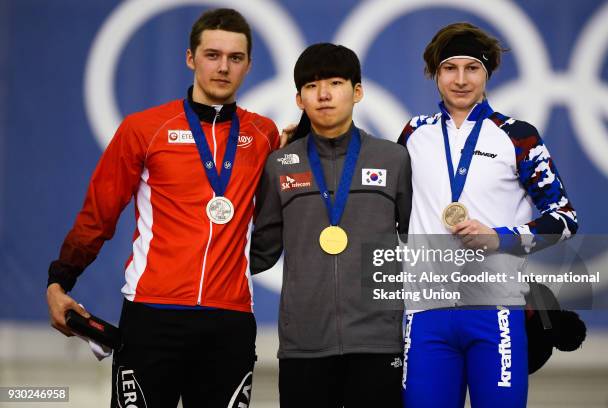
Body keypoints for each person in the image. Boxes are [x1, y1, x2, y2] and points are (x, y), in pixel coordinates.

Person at [46, 8, 279, 408]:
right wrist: (60, 281)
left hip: (230, 320)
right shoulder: (143, 129)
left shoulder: (264, 135)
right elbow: (98, 214)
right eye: (212, 55)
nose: (223, 67)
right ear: (190, 58)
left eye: (235, 58)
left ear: (249, 66)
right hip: (152, 316)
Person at [397, 22, 578, 407]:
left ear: (487, 72)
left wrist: (501, 237)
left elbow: (564, 218)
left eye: (472, 68)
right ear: (435, 73)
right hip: (425, 312)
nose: (461, 79)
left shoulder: (518, 136)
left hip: (496, 313)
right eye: (450, 68)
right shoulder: (414, 134)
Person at [250, 43, 412, 408]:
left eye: (335, 83)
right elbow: (259, 252)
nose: (323, 94)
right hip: (303, 345)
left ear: (357, 92)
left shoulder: (394, 158)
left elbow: (420, 240)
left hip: (377, 341)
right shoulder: (281, 163)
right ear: (298, 99)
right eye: (311, 86)